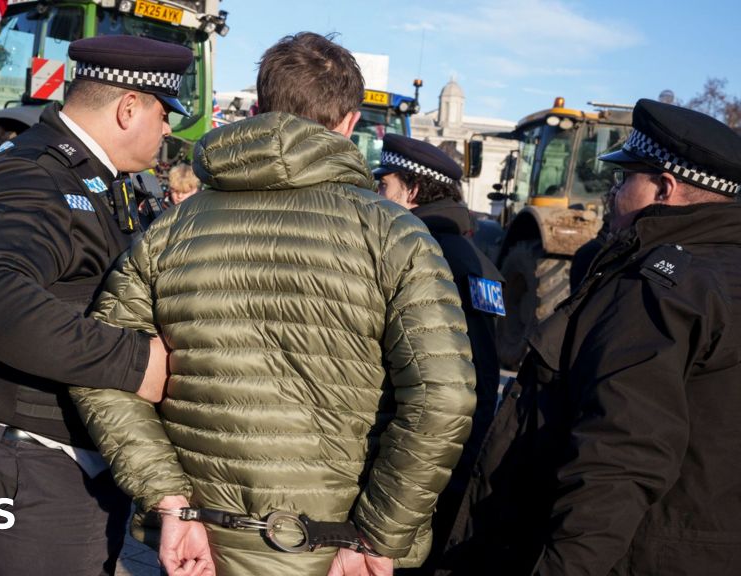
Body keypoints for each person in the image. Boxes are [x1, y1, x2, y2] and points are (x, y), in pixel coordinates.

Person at [70, 32, 476, 576]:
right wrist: (377, 537)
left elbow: (100, 365)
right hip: (331, 551)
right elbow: (443, 398)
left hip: (203, 546)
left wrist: (169, 500)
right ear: (351, 122)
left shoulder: (172, 230)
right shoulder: (396, 236)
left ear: (259, 110)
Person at [0, 35, 186, 576]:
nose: (168, 130)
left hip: (57, 465)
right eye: (165, 114)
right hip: (21, 469)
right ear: (128, 107)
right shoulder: (31, 172)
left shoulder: (95, 178)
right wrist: (136, 363)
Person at [463, 99, 741, 575]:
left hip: (639, 552)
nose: (614, 192)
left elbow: (620, 456)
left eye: (626, 177)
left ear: (664, 189)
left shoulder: (660, 291)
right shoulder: (720, 273)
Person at [373, 134, 503, 575]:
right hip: (446, 466)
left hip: (412, 471)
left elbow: (461, 385)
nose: (378, 196)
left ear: (411, 191)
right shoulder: (478, 261)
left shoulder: (424, 255)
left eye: (384, 186)